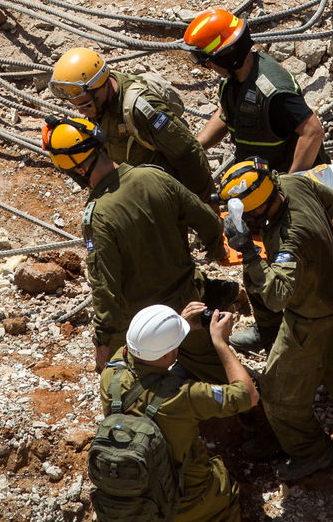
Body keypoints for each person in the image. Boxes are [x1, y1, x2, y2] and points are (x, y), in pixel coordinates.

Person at [217, 159, 333, 480]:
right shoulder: (292, 183)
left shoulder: (290, 239)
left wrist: (248, 251)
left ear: (259, 211)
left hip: (311, 319)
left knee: (277, 393)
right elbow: (329, 199)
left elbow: (276, 295)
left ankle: (311, 452)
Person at [100, 303, 256, 522]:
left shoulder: (110, 381)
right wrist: (220, 343)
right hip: (197, 497)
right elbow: (246, 395)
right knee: (224, 488)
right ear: (170, 351)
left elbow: (132, 354)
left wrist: (174, 331)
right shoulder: (183, 396)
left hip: (153, 514)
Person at [41, 116, 234, 378]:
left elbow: (105, 286)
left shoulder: (98, 216)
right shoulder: (153, 176)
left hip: (143, 324)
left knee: (127, 387)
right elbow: (208, 220)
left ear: (77, 169)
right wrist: (217, 250)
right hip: (189, 302)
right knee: (219, 375)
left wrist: (103, 340)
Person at [50, 47, 213, 199]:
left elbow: (188, 153)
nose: (80, 111)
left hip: (166, 194)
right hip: (138, 192)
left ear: (102, 87)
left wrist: (207, 203)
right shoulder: (99, 102)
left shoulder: (140, 109)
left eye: (85, 105)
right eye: (77, 105)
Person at [183, 8, 328, 174]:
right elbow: (226, 114)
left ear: (227, 56)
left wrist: (291, 184)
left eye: (209, 62)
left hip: (283, 179)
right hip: (257, 177)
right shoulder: (233, 81)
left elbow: (313, 132)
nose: (209, 67)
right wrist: (194, 148)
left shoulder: (273, 91)